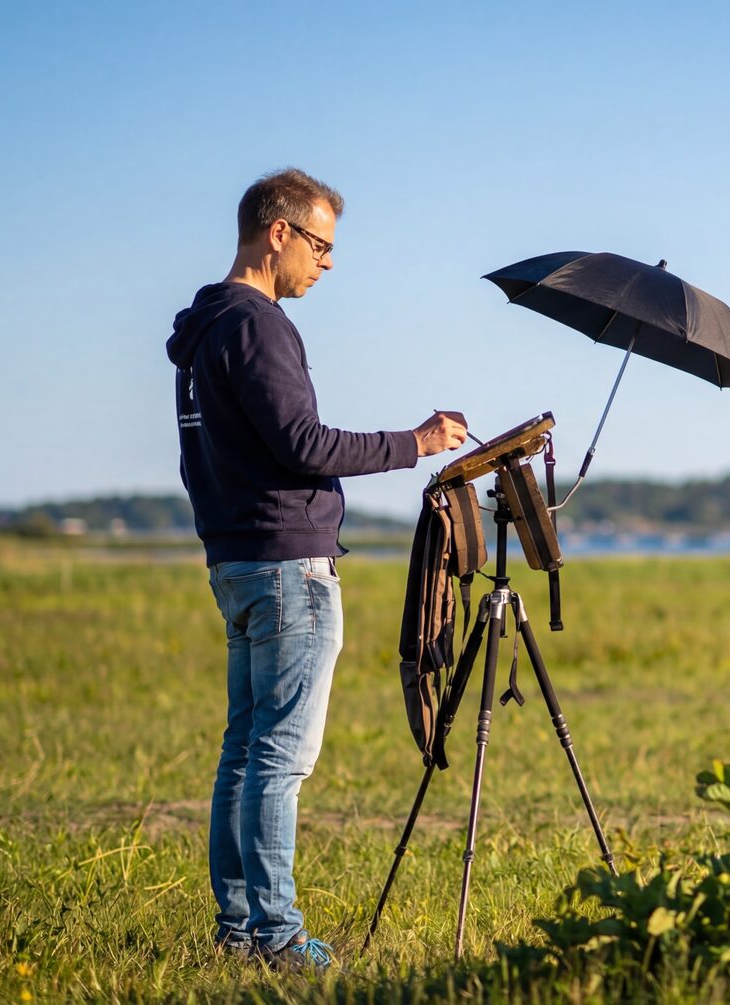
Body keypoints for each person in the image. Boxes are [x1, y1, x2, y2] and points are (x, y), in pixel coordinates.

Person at [165, 167, 468, 971]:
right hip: (288, 567)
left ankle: (238, 930)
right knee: (279, 757)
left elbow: (204, 462)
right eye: (322, 245)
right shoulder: (258, 326)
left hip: (235, 561)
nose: (327, 264)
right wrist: (416, 443)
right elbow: (304, 444)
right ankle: (275, 936)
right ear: (279, 233)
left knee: (244, 748)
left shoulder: (202, 334)